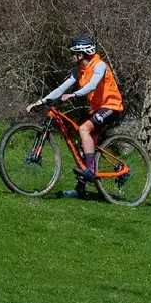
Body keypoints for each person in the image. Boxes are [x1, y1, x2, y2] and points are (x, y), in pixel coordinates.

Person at [26, 37, 124, 198]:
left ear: (81, 54)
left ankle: (91, 170)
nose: (72, 57)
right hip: (97, 109)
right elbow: (61, 88)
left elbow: (92, 85)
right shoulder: (79, 70)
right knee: (82, 146)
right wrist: (40, 102)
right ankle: (80, 190)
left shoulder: (99, 65)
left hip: (111, 106)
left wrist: (73, 95)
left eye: (74, 53)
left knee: (84, 128)